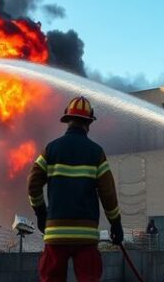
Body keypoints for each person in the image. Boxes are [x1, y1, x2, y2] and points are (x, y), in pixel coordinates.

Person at [28, 96, 123, 282]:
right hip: (85, 236)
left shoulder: (51, 149)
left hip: (56, 234)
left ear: (68, 120)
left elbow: (33, 183)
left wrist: (41, 213)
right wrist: (115, 223)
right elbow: (108, 193)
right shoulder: (96, 152)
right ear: (89, 123)